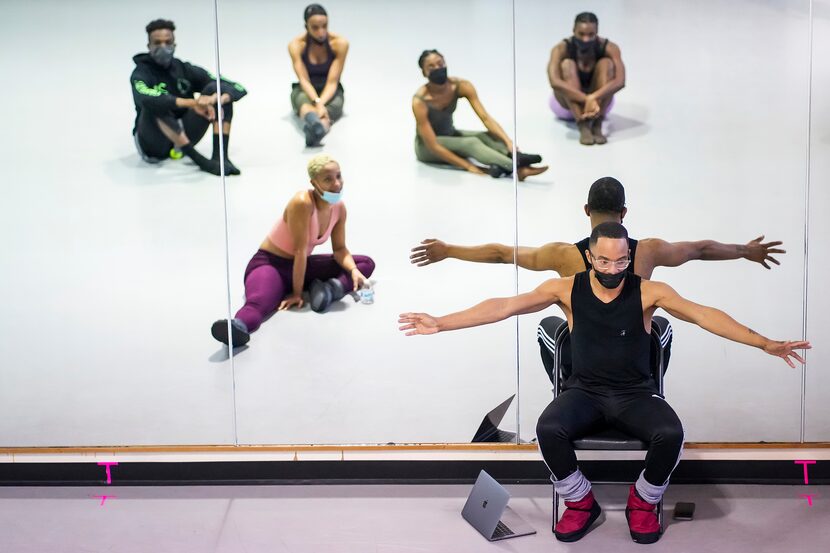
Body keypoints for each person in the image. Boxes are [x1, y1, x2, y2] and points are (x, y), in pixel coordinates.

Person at [399, 222, 809, 544]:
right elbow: (504, 306)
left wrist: (764, 343)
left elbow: (704, 315)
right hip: (585, 393)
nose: (614, 271)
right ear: (589, 257)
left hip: (634, 395)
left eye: (621, 262)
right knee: (548, 429)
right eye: (604, 262)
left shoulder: (650, 292)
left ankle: (642, 501)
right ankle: (580, 501)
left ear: (628, 257)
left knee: (671, 433)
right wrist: (442, 322)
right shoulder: (565, 289)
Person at [410, 176, 785, 382]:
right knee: (663, 322)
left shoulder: (561, 255)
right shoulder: (650, 250)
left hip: (585, 355)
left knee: (549, 323)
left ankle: (564, 380)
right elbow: (700, 249)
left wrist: (449, 249)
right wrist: (744, 250)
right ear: (624, 212)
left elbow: (499, 253)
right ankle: (652, 381)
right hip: (634, 353)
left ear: (586, 210)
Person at [211, 155, 375, 346]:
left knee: (364, 264)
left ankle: (330, 290)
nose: (337, 183)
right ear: (314, 183)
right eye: (328, 179)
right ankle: (237, 327)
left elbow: (339, 249)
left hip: (301, 266)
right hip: (271, 265)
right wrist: (297, 294)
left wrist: (353, 270)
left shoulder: (339, 208)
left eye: (339, 176)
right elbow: (299, 250)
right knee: (258, 303)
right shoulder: (302, 202)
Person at [131, 19, 247, 175]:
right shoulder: (141, 73)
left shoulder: (184, 69)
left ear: (174, 44)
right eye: (157, 43)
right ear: (149, 46)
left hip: (184, 132)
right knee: (156, 103)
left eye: (168, 42)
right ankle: (200, 161)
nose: (163, 47)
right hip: (153, 143)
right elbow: (145, 98)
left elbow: (238, 88)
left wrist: (217, 99)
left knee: (217, 89)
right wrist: (194, 103)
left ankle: (221, 157)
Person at [413, 49, 548, 181]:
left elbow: (485, 118)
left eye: (440, 63)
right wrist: (468, 166)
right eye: (431, 66)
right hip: (426, 147)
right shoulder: (420, 101)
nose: (437, 68)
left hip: (450, 134)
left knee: (485, 136)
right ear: (424, 73)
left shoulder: (461, 86)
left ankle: (514, 157)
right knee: (471, 143)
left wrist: (508, 142)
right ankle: (517, 169)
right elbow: (433, 146)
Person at [548, 12, 625, 145]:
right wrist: (586, 99)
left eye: (591, 35)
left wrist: (594, 97)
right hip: (566, 106)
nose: (586, 39)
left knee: (606, 63)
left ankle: (597, 125)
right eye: (581, 34)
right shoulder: (561, 49)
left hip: (599, 104)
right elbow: (554, 81)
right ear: (573, 31)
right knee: (567, 64)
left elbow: (620, 81)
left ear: (597, 32)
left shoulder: (610, 48)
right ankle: (583, 125)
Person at [288, 4, 348, 147]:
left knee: (328, 109)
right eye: (315, 27)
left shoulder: (339, 44)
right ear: (306, 26)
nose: (321, 32)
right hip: (305, 89)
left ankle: (317, 129)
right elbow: (304, 80)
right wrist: (316, 101)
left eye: (324, 26)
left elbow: (332, 82)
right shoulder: (296, 45)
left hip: (331, 91)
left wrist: (321, 104)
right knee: (304, 103)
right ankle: (315, 124)